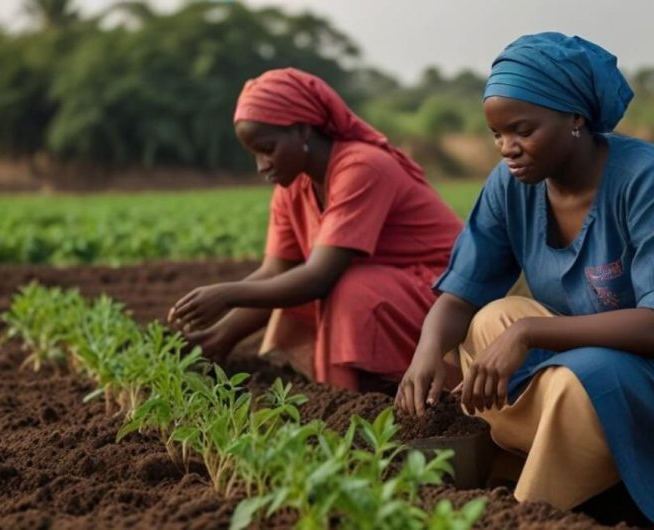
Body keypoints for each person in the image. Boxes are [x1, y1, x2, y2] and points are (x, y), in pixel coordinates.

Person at [395, 32, 654, 521]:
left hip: (636, 375)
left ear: (575, 117)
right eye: (497, 135)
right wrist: (426, 352)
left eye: (522, 130)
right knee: (494, 318)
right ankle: (564, 455)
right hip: (578, 363)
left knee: (580, 383)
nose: (506, 149)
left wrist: (531, 331)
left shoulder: (642, 181)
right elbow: (460, 294)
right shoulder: (512, 185)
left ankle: (527, 507)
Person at [168, 67, 463, 392]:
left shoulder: (362, 168)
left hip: (446, 295)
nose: (262, 166)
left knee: (351, 288)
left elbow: (319, 278)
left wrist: (226, 295)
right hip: (396, 288)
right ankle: (345, 395)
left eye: (268, 149)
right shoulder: (293, 187)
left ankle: (373, 394)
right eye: (254, 155)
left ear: (304, 130)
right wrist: (217, 337)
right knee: (293, 288)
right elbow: (276, 272)